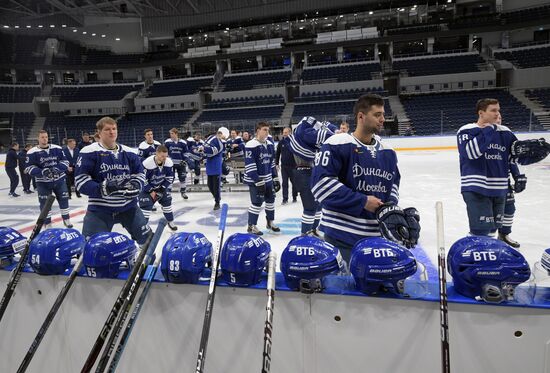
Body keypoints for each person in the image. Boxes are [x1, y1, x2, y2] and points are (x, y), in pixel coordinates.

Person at [311, 94, 420, 263]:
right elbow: (321, 186)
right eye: (377, 115)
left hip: (378, 237)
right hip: (342, 237)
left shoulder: (387, 150)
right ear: (361, 116)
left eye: (383, 114)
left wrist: (388, 207)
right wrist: (362, 201)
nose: (383, 119)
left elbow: (393, 185)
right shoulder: (337, 143)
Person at [457, 98, 549, 237]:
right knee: (480, 231)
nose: (497, 113)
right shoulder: (467, 130)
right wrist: (489, 129)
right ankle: (476, 256)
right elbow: (471, 152)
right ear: (481, 113)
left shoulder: (505, 132)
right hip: (476, 187)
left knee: (492, 231)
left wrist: (522, 167)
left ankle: (491, 255)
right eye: (493, 110)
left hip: (499, 189)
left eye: (498, 110)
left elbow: (513, 157)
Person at [75, 117, 151, 244]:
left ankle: (144, 262)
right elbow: (80, 181)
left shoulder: (129, 152)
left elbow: (140, 173)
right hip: (100, 208)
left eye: (114, 129)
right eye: (107, 129)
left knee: (147, 241)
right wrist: (103, 188)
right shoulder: (89, 152)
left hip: (128, 206)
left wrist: (137, 185)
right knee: (91, 247)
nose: (112, 132)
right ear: (99, 133)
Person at [289, 116, 338, 235]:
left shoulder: (304, 138)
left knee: (318, 206)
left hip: (313, 172)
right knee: (310, 207)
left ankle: (313, 231)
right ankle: (305, 236)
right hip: (302, 173)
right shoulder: (302, 137)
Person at [24, 130, 72, 228]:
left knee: (64, 199)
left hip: (59, 180)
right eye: (42, 137)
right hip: (43, 182)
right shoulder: (32, 152)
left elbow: (65, 162)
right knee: (45, 203)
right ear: (38, 138)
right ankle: (47, 222)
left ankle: (66, 219)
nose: (45, 139)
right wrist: (42, 172)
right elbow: (28, 168)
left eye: (46, 137)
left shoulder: (57, 148)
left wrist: (57, 169)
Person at [244, 122, 280, 235]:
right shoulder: (251, 145)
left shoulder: (269, 144)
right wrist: (257, 180)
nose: (267, 132)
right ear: (258, 130)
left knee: (270, 201)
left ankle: (270, 222)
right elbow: (250, 164)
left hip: (268, 179)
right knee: (256, 203)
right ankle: (252, 226)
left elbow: (272, 162)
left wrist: (275, 178)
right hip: (255, 180)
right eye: (264, 129)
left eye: (268, 130)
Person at [139, 145, 177, 231]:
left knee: (167, 203)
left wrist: (162, 188)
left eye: (166, 156)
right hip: (146, 188)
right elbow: (142, 179)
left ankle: (170, 222)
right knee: (145, 208)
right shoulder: (147, 163)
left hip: (160, 186)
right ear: (156, 154)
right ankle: (142, 228)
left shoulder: (168, 162)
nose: (164, 158)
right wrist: (151, 190)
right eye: (162, 156)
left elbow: (170, 177)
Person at [195, 127, 229, 210]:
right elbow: (205, 145)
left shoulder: (221, 144)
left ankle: (217, 202)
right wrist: (201, 149)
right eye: (220, 133)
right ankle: (217, 197)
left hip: (216, 165)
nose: (220, 135)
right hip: (210, 164)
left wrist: (204, 149)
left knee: (216, 185)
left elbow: (213, 151)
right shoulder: (211, 138)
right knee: (209, 185)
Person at [275, 127, 297, 204]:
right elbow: (277, 153)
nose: (284, 134)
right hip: (284, 166)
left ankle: (294, 197)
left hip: (293, 166)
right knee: (284, 183)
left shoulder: (294, 142)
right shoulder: (281, 142)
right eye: (283, 132)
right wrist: (276, 163)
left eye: (286, 132)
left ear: (290, 133)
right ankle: (285, 199)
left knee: (294, 183)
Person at [165, 128, 189, 199]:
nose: (171, 135)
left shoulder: (183, 142)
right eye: (170, 133)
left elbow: (186, 153)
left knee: (183, 178)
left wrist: (185, 160)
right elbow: (165, 152)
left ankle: (183, 192)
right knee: (170, 178)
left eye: (172, 133)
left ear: (176, 134)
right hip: (170, 164)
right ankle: (168, 192)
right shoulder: (167, 142)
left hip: (181, 164)